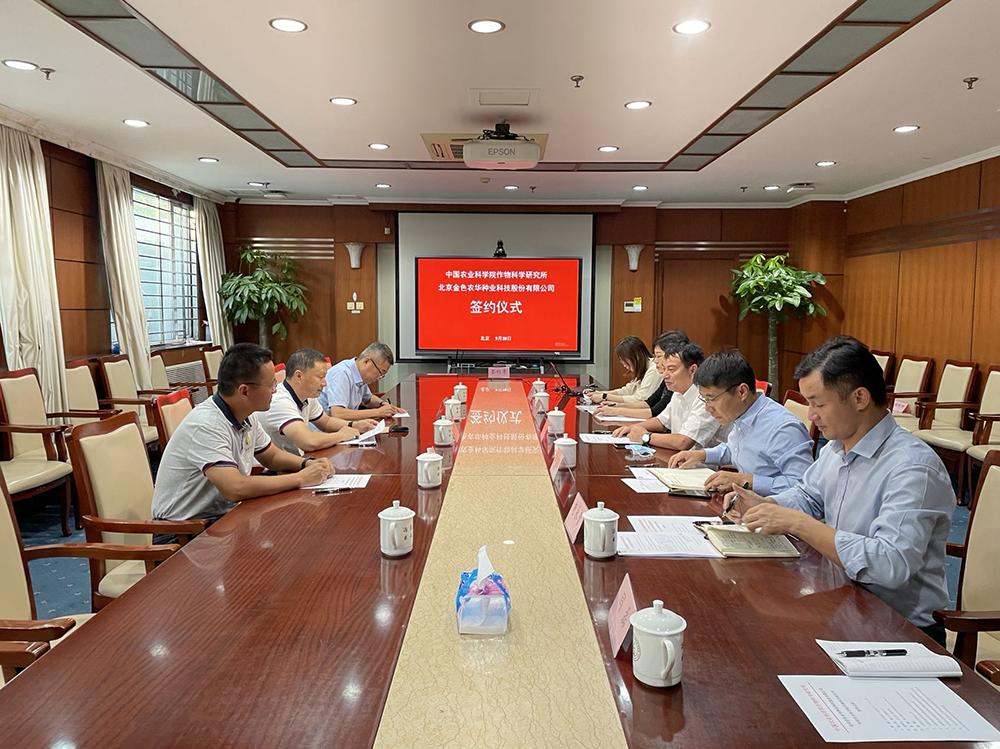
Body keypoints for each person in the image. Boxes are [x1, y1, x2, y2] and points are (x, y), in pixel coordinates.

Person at [729, 336, 954, 642]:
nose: (811, 415)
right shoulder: (837, 449)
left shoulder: (913, 467)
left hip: (900, 628)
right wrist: (764, 504)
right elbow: (807, 496)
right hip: (842, 600)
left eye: (818, 403)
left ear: (859, 398)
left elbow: (890, 565)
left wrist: (797, 523)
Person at [152, 343, 334, 525]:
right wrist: (301, 478)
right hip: (183, 530)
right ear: (244, 391)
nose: (275, 389)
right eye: (271, 384)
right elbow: (235, 487)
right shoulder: (207, 424)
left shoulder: (246, 415)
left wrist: (307, 463)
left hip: (221, 516)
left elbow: (271, 456)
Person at [667, 349, 813, 494]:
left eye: (711, 399)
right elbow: (735, 449)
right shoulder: (743, 413)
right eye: (704, 400)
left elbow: (802, 486)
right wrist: (702, 455)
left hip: (774, 511)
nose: (707, 408)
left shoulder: (782, 428)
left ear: (742, 392)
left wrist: (746, 481)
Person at [260, 348, 378, 455]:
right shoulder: (280, 401)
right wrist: (341, 435)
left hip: (296, 460)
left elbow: (325, 422)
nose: (325, 383)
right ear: (299, 376)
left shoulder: (307, 396)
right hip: (272, 471)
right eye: (321, 377)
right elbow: (308, 441)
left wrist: (354, 425)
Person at [613, 340, 723, 450]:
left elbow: (683, 442)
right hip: (682, 459)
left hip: (707, 465)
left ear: (692, 370)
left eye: (671, 369)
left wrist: (645, 436)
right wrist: (633, 428)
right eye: (664, 369)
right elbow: (662, 422)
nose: (665, 375)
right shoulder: (678, 392)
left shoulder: (706, 397)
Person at [596, 330, 688, 419]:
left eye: (659, 356)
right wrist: (615, 405)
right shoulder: (665, 378)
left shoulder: (657, 372)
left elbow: (653, 411)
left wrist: (616, 409)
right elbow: (648, 403)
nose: (655, 360)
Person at [320, 341, 406, 421]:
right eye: (380, 372)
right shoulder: (341, 373)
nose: (379, 377)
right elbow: (338, 413)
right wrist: (379, 412)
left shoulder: (359, 374)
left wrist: (383, 404)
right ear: (367, 361)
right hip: (325, 432)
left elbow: (368, 399)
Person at [586, 336, 659, 405]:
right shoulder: (642, 367)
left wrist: (605, 396)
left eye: (624, 360)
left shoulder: (654, 370)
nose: (623, 364)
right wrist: (599, 393)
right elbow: (627, 390)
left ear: (636, 356)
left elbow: (640, 399)